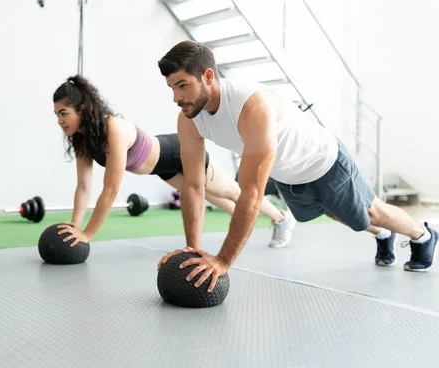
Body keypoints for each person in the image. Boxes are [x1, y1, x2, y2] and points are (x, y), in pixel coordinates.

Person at [155, 40, 438, 292]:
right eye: (172, 88)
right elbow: (193, 183)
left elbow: (251, 194)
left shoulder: (252, 107)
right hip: (289, 175)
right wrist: (193, 248)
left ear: (207, 76)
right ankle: (384, 234)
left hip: (323, 161)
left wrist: (222, 260)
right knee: (336, 214)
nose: (176, 98)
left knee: (371, 211)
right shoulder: (189, 118)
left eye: (182, 85)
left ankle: (423, 236)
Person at [51, 74, 296, 247]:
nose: (60, 120)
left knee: (233, 193)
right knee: (212, 197)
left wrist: (87, 234)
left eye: (64, 113)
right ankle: (251, 224)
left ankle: (282, 218)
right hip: (162, 168)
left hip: (176, 153)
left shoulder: (113, 129)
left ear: (82, 109)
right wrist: (75, 225)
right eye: (57, 115)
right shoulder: (82, 139)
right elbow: (83, 187)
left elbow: (111, 189)